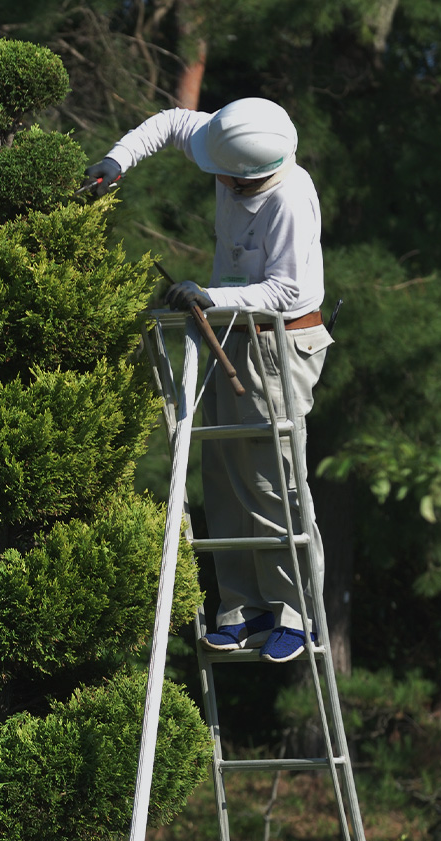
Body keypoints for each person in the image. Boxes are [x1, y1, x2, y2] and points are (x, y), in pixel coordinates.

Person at [81, 97, 332, 663]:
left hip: (278, 342)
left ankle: (296, 613)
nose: (214, 177)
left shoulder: (289, 197)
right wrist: (118, 160)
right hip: (231, 329)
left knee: (271, 479)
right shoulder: (230, 140)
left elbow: (289, 290)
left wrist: (211, 295)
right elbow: (173, 123)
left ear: (249, 174)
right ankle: (245, 610)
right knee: (222, 475)